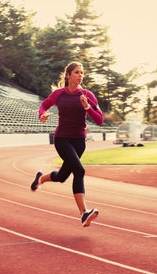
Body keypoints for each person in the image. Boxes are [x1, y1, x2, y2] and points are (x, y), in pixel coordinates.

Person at [30, 61, 104, 227]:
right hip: (62, 139)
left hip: (79, 142)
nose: (80, 75)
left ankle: (40, 179)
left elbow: (99, 120)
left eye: (82, 73)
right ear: (68, 75)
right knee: (79, 170)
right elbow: (44, 105)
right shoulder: (59, 94)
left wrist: (87, 108)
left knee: (62, 176)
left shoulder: (87, 95)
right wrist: (42, 114)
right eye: (77, 72)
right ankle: (84, 213)